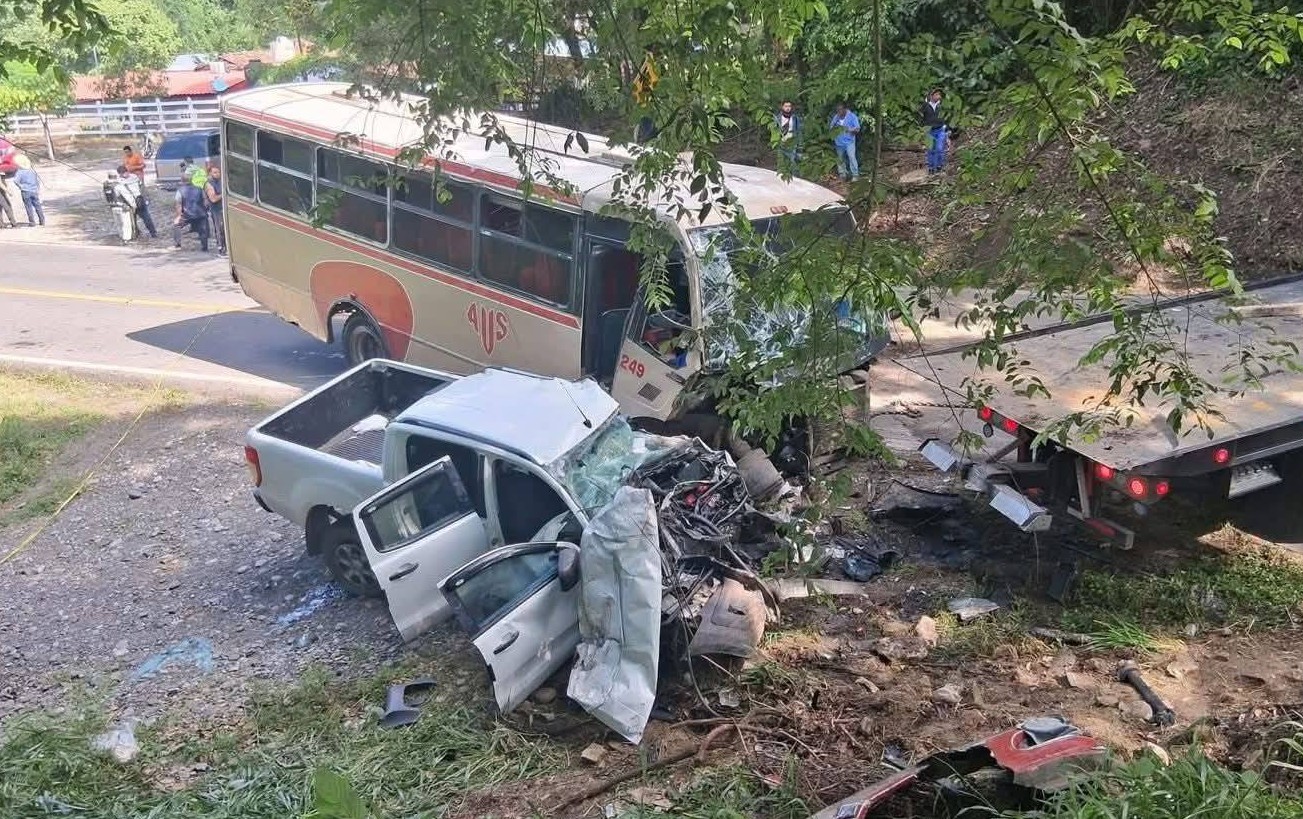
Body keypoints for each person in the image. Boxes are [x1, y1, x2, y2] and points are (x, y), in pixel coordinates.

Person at [116, 163, 158, 239]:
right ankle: (135, 233)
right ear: (120, 174)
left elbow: (142, 188)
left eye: (126, 172)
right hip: (128, 204)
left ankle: (153, 233)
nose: (125, 174)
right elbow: (117, 196)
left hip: (139, 201)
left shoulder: (134, 177)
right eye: (123, 173)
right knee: (132, 221)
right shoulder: (118, 184)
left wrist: (146, 198)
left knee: (147, 218)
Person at [173, 168, 209, 251]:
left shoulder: (180, 191)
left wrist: (179, 216)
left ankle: (177, 243)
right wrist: (205, 211)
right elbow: (205, 201)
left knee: (176, 225)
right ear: (192, 180)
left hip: (187, 215)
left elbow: (178, 204)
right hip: (200, 214)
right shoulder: (200, 189)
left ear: (181, 181)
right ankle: (205, 247)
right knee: (203, 230)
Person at [919, 88, 950, 174]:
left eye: (939, 94)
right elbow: (920, 117)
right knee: (931, 149)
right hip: (929, 131)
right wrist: (922, 129)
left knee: (940, 149)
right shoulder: (925, 106)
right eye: (936, 94)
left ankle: (940, 166)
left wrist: (947, 128)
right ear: (931, 96)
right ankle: (931, 167)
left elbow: (947, 116)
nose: (938, 96)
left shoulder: (941, 106)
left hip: (940, 129)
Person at [829, 102, 860, 182]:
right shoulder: (836, 117)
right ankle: (843, 175)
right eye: (837, 110)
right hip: (839, 142)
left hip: (849, 142)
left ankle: (855, 175)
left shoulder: (852, 117)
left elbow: (857, 129)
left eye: (840, 110)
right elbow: (831, 127)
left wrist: (848, 129)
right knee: (840, 159)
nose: (838, 112)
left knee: (852, 157)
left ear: (845, 109)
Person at [14, 159, 45, 226]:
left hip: (25, 191)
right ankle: (42, 221)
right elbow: (37, 181)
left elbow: (15, 181)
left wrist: (20, 186)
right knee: (38, 206)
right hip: (34, 190)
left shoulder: (20, 172)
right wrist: (37, 189)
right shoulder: (32, 171)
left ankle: (32, 222)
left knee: (28, 207)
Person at [775, 100, 802, 171]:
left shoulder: (795, 118)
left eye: (789, 106)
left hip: (792, 142)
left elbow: (799, 131)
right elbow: (774, 131)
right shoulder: (777, 118)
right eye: (786, 106)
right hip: (781, 142)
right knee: (781, 162)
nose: (788, 108)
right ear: (782, 107)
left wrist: (800, 144)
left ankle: (793, 178)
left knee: (792, 162)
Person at [205, 164, 226, 255]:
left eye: (218, 172)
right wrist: (224, 194)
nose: (217, 174)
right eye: (215, 172)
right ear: (210, 173)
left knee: (225, 229)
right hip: (216, 209)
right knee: (219, 229)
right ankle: (221, 248)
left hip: (224, 207)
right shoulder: (209, 184)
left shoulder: (222, 181)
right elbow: (213, 199)